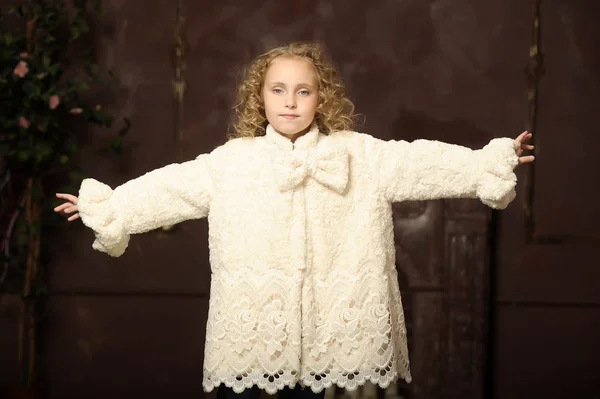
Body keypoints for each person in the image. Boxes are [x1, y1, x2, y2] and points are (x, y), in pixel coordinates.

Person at [54, 42, 534, 399]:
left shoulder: (356, 154)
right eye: (278, 90)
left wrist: (484, 165)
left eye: (303, 91)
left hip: (326, 328)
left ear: (320, 98)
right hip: (255, 325)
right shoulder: (231, 162)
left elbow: (419, 163)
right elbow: (172, 187)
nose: (290, 101)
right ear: (258, 97)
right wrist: (112, 206)